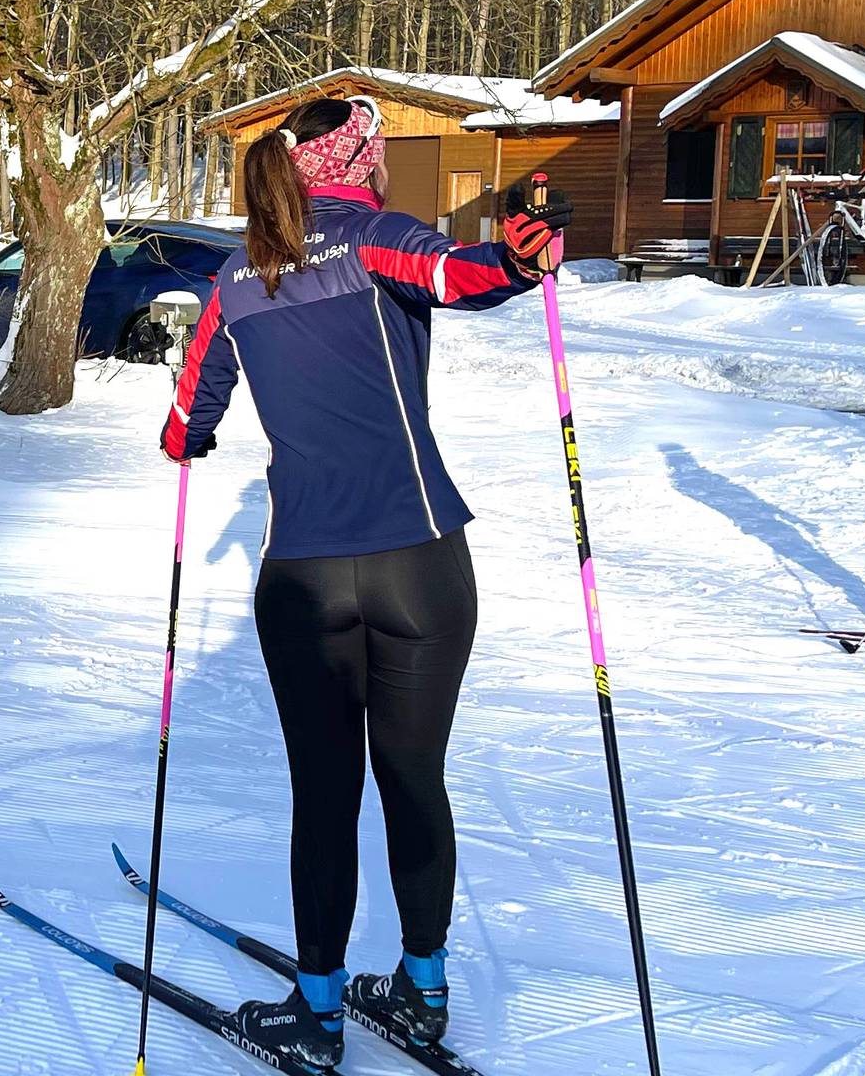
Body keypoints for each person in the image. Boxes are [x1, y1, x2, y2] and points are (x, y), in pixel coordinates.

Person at [157, 96, 568, 1069]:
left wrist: (191, 434)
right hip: (420, 560)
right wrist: (518, 258)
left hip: (304, 573)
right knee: (412, 779)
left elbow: (186, 418)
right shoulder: (375, 241)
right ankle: (421, 991)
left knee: (325, 793)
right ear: (361, 158)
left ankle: (317, 1009)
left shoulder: (237, 272)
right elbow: (460, 274)